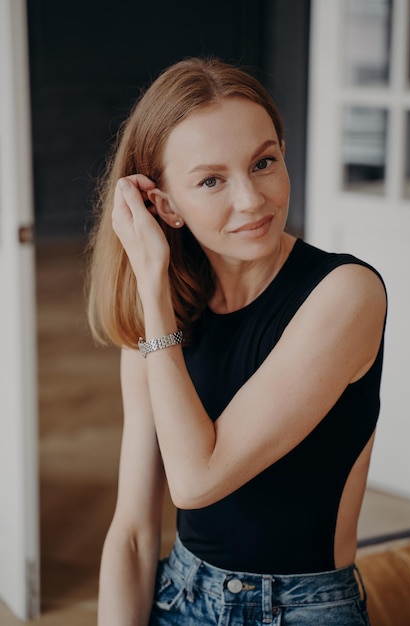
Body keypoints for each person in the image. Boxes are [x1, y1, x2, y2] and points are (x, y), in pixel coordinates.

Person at [87, 57, 387, 625]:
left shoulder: (347, 294)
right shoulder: (163, 317)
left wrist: (152, 291)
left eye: (263, 162)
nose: (252, 200)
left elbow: (197, 480)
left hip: (301, 609)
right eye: (211, 179)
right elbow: (131, 532)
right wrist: (154, 297)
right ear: (164, 206)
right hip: (177, 595)